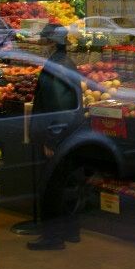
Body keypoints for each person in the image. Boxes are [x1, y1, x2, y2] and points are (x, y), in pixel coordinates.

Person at [27, 24, 84, 251]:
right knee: (68, 183)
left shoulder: (56, 67)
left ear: (51, 42)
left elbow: (60, 106)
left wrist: (52, 139)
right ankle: (71, 231)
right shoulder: (64, 62)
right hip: (71, 133)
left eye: (42, 40)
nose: (39, 45)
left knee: (52, 187)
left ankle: (52, 237)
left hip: (60, 135)